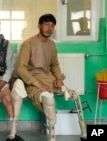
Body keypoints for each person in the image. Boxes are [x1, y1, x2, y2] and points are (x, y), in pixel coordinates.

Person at [16, 13, 87, 141]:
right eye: (46, 24)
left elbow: (54, 65)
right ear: (39, 26)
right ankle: (52, 136)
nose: (50, 28)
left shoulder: (51, 45)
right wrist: (37, 84)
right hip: (32, 82)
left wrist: (59, 78)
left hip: (48, 79)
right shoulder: (28, 44)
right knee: (48, 98)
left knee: (73, 94)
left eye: (52, 25)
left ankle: (83, 131)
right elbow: (21, 68)